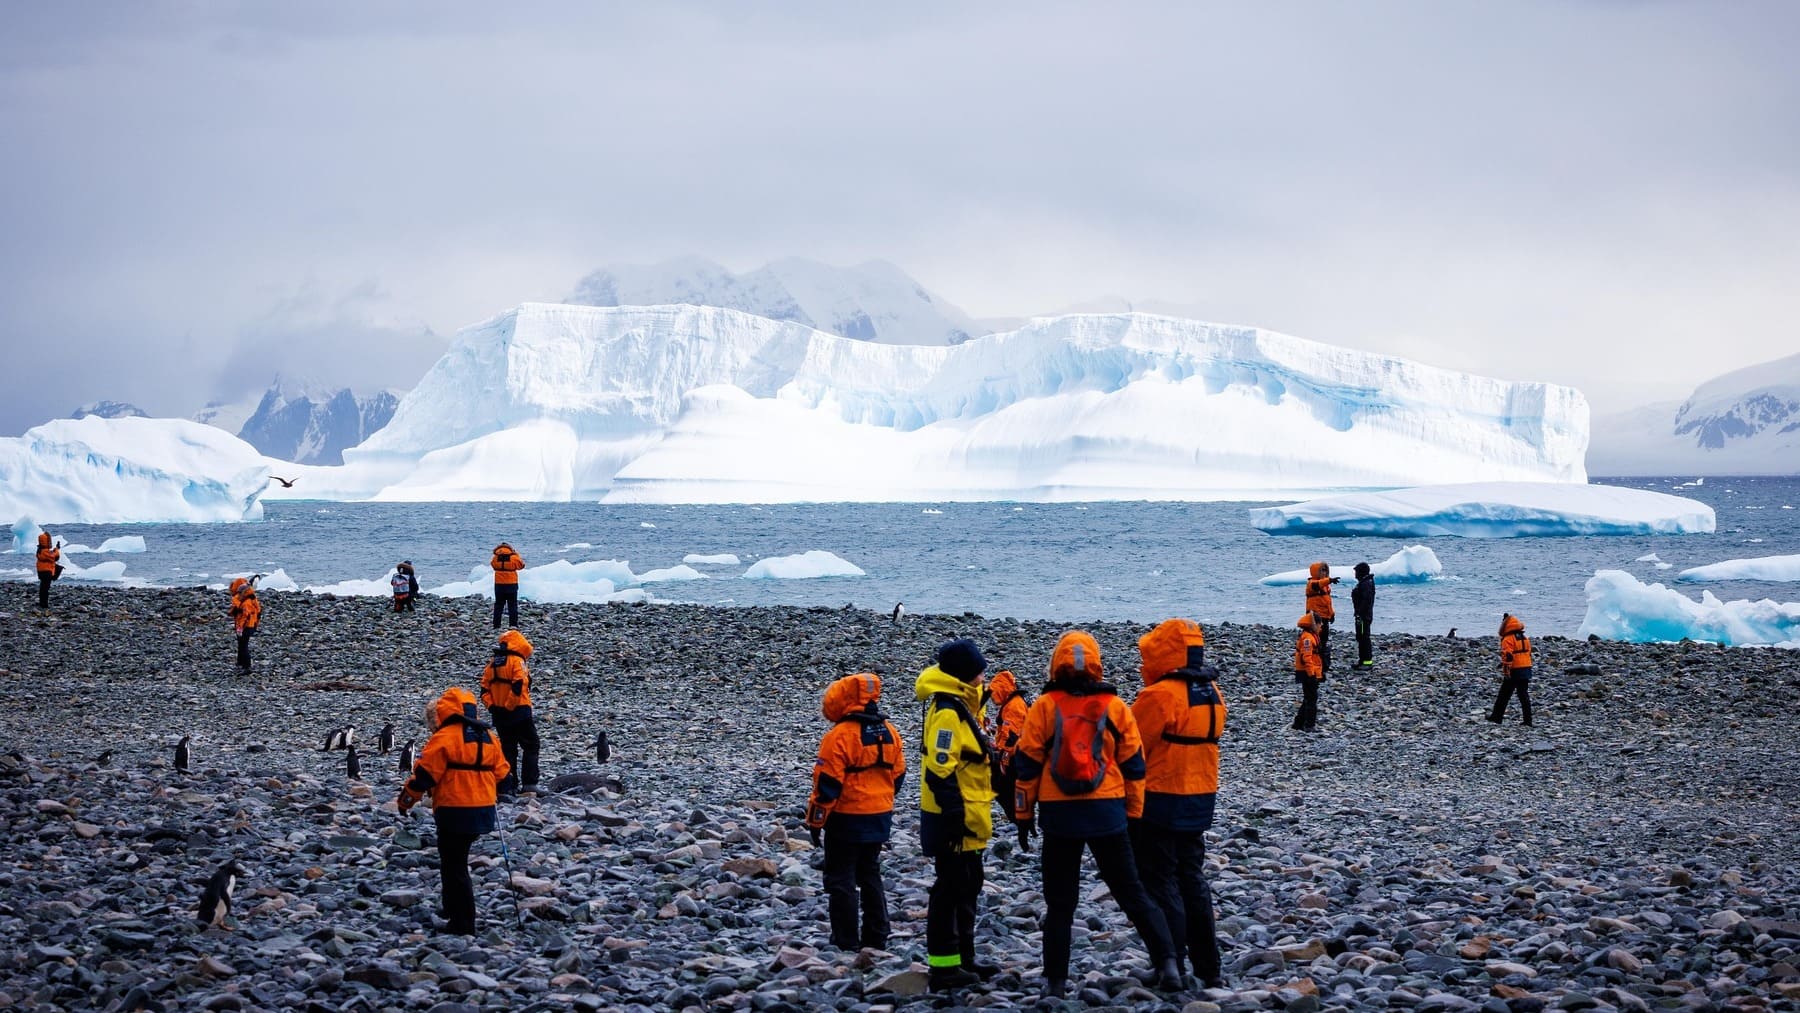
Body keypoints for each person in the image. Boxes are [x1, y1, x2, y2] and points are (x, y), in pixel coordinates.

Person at [1013, 630, 1181, 997]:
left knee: (1060, 904)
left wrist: (1023, 816)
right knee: (1132, 892)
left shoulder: (1044, 706)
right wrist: (1133, 815)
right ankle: (1168, 964)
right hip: (1107, 810)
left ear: (1056, 663)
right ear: (1096, 664)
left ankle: (1055, 983)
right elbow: (1135, 766)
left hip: (1059, 814)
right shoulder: (1114, 706)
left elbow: (1026, 766)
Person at [1131, 618, 1228, 988]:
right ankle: (1209, 967)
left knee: (1160, 881)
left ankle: (1169, 964)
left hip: (1160, 797)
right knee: (1193, 879)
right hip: (1200, 797)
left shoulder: (1159, 696)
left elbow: (1133, 747)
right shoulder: (1212, 691)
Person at [915, 638, 998, 990]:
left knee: (969, 884)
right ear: (965, 674)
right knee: (949, 888)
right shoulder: (948, 711)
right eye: (980, 670)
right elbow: (940, 769)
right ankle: (944, 967)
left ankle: (966, 958)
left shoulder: (963, 703)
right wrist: (953, 815)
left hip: (970, 813)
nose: (984, 675)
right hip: (952, 815)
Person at [804, 673, 906, 952]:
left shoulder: (839, 736)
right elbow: (898, 776)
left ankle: (846, 940)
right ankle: (877, 935)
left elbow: (827, 787)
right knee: (869, 872)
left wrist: (815, 822)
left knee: (841, 878)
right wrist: (880, 800)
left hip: (846, 818)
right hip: (879, 815)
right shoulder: (890, 731)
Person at [398, 685, 510, 936]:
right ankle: (450, 909)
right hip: (483, 811)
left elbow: (424, 777)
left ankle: (462, 924)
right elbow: (504, 777)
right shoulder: (488, 737)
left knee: (454, 864)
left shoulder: (445, 737)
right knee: (454, 859)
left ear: (445, 711)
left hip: (454, 809)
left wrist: (405, 800)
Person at [480, 629, 540, 796]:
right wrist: (510, 706)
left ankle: (509, 785)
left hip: (499, 714)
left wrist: (493, 707)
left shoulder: (492, 664)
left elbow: (484, 690)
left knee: (508, 748)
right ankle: (529, 783)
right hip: (519, 710)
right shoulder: (517, 661)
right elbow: (519, 685)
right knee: (531, 744)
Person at [982, 669, 1029, 842]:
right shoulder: (1013, 703)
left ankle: (1017, 819)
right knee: (1009, 788)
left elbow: (1011, 735)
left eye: (995, 694)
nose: (993, 698)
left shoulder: (1013, 705)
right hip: (1019, 753)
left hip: (1016, 755)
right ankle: (1018, 819)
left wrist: (1001, 753)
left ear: (1003, 690)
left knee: (1004, 787)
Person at [1489, 613, 1534, 726]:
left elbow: (1507, 656)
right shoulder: (1524, 637)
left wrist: (1506, 670)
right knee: (1523, 695)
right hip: (1526, 668)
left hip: (1515, 669)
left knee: (1504, 695)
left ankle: (1496, 717)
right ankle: (1528, 720)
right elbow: (1529, 653)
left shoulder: (1508, 639)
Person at [1291, 613, 1322, 731]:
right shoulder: (1308, 638)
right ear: (1315, 625)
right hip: (1307, 672)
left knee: (1308, 698)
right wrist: (1311, 674)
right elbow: (1307, 658)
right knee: (1311, 699)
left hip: (1309, 671)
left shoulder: (1309, 636)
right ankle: (1309, 725)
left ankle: (1298, 723)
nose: (1321, 626)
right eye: (1320, 624)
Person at [1304, 562, 1337, 673]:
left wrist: (1331, 614)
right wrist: (1329, 580)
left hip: (1324, 617)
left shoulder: (1326, 586)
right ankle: (1311, 663)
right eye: (1321, 570)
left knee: (1323, 640)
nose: (1324, 573)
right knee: (1314, 640)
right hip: (1315, 618)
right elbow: (1317, 585)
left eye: (1325, 570)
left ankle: (1322, 663)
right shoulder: (1311, 584)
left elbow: (1327, 602)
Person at [229, 577, 261, 676]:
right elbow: (258, 612)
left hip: (246, 626)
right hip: (250, 625)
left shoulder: (246, 602)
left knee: (243, 645)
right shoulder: (250, 598)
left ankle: (247, 667)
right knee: (241, 644)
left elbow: (245, 616)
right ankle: (241, 662)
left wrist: (240, 627)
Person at [490, 543, 524, 629]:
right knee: (512, 605)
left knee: (498, 605)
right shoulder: (513, 557)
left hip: (499, 584)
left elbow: (493, 565)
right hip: (511, 583)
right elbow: (521, 565)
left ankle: (496, 625)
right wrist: (516, 554)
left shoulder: (495, 557)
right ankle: (513, 625)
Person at [1351, 561, 1375, 669]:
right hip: (1361, 615)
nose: (1355, 574)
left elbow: (1366, 600)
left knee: (1364, 637)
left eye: (1356, 571)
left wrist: (1360, 613)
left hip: (1363, 616)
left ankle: (1367, 662)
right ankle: (1362, 660)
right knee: (1360, 637)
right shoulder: (1364, 582)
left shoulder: (1366, 584)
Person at [34, 531, 59, 609]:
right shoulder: (45, 551)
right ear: (46, 541)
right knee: (45, 588)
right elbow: (54, 557)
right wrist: (57, 550)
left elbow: (50, 555)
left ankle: (42, 603)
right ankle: (44, 605)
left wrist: (54, 550)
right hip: (46, 571)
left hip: (42, 571)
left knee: (43, 588)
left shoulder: (40, 550)